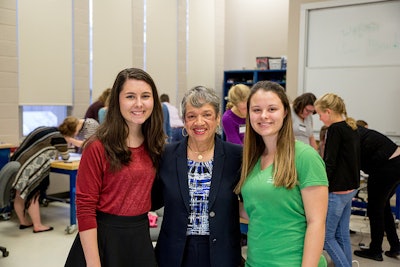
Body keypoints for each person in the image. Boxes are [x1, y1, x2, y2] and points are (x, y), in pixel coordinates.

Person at [64, 68, 165, 267]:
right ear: (117, 101)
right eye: (130, 96)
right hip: (103, 240)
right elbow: (85, 209)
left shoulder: (156, 145)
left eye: (145, 96)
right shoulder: (97, 146)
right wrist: (94, 263)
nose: (138, 103)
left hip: (139, 237)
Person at [235, 81, 329, 266]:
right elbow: (257, 209)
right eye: (256, 110)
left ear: (285, 112)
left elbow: (316, 222)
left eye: (272, 109)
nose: (264, 116)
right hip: (256, 262)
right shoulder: (252, 159)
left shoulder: (305, 156)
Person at [153, 86, 243, 267]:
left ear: (218, 118)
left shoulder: (237, 156)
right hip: (175, 253)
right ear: (184, 121)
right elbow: (153, 200)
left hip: (222, 252)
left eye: (207, 115)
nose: (199, 122)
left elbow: (248, 202)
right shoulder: (166, 155)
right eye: (192, 116)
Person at [314, 93, 360, 267]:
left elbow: (330, 162)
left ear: (328, 111)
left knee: (326, 237)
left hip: (338, 191)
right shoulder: (351, 127)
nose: (320, 118)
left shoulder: (335, 129)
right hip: (350, 188)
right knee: (342, 235)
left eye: (320, 114)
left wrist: (321, 187)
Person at [353, 127, 400, 261]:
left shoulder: (352, 136)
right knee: (383, 208)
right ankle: (395, 246)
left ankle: (375, 250)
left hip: (386, 167)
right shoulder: (360, 132)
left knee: (375, 210)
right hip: (395, 164)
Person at [11, 126, 69, 233]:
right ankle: (37, 226)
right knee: (33, 194)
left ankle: (23, 222)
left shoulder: (43, 129)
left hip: (17, 161)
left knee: (19, 193)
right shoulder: (59, 137)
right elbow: (65, 156)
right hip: (30, 166)